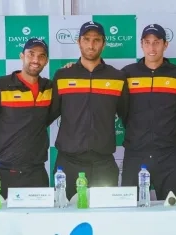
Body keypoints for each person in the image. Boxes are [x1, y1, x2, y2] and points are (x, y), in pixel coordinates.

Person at [48, 21, 129, 200]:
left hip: (103, 164)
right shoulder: (63, 75)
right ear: (79, 42)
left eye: (96, 40)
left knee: (106, 222)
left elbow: (129, 116)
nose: (91, 45)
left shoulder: (117, 77)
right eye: (86, 39)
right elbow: (46, 114)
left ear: (104, 43)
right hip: (68, 163)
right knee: (64, 221)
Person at [0, 38, 51, 199]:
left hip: (37, 173)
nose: (36, 60)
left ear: (46, 61)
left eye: (41, 56)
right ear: (22, 56)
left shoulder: (49, 88)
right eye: (31, 54)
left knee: (40, 223)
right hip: (3, 173)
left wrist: (71, 67)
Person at [120, 24, 176, 200]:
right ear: (141, 44)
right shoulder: (128, 73)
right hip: (135, 152)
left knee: (173, 208)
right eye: (147, 42)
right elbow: (121, 109)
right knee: (129, 209)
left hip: (168, 153)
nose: (152, 47)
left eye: (156, 42)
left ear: (165, 45)